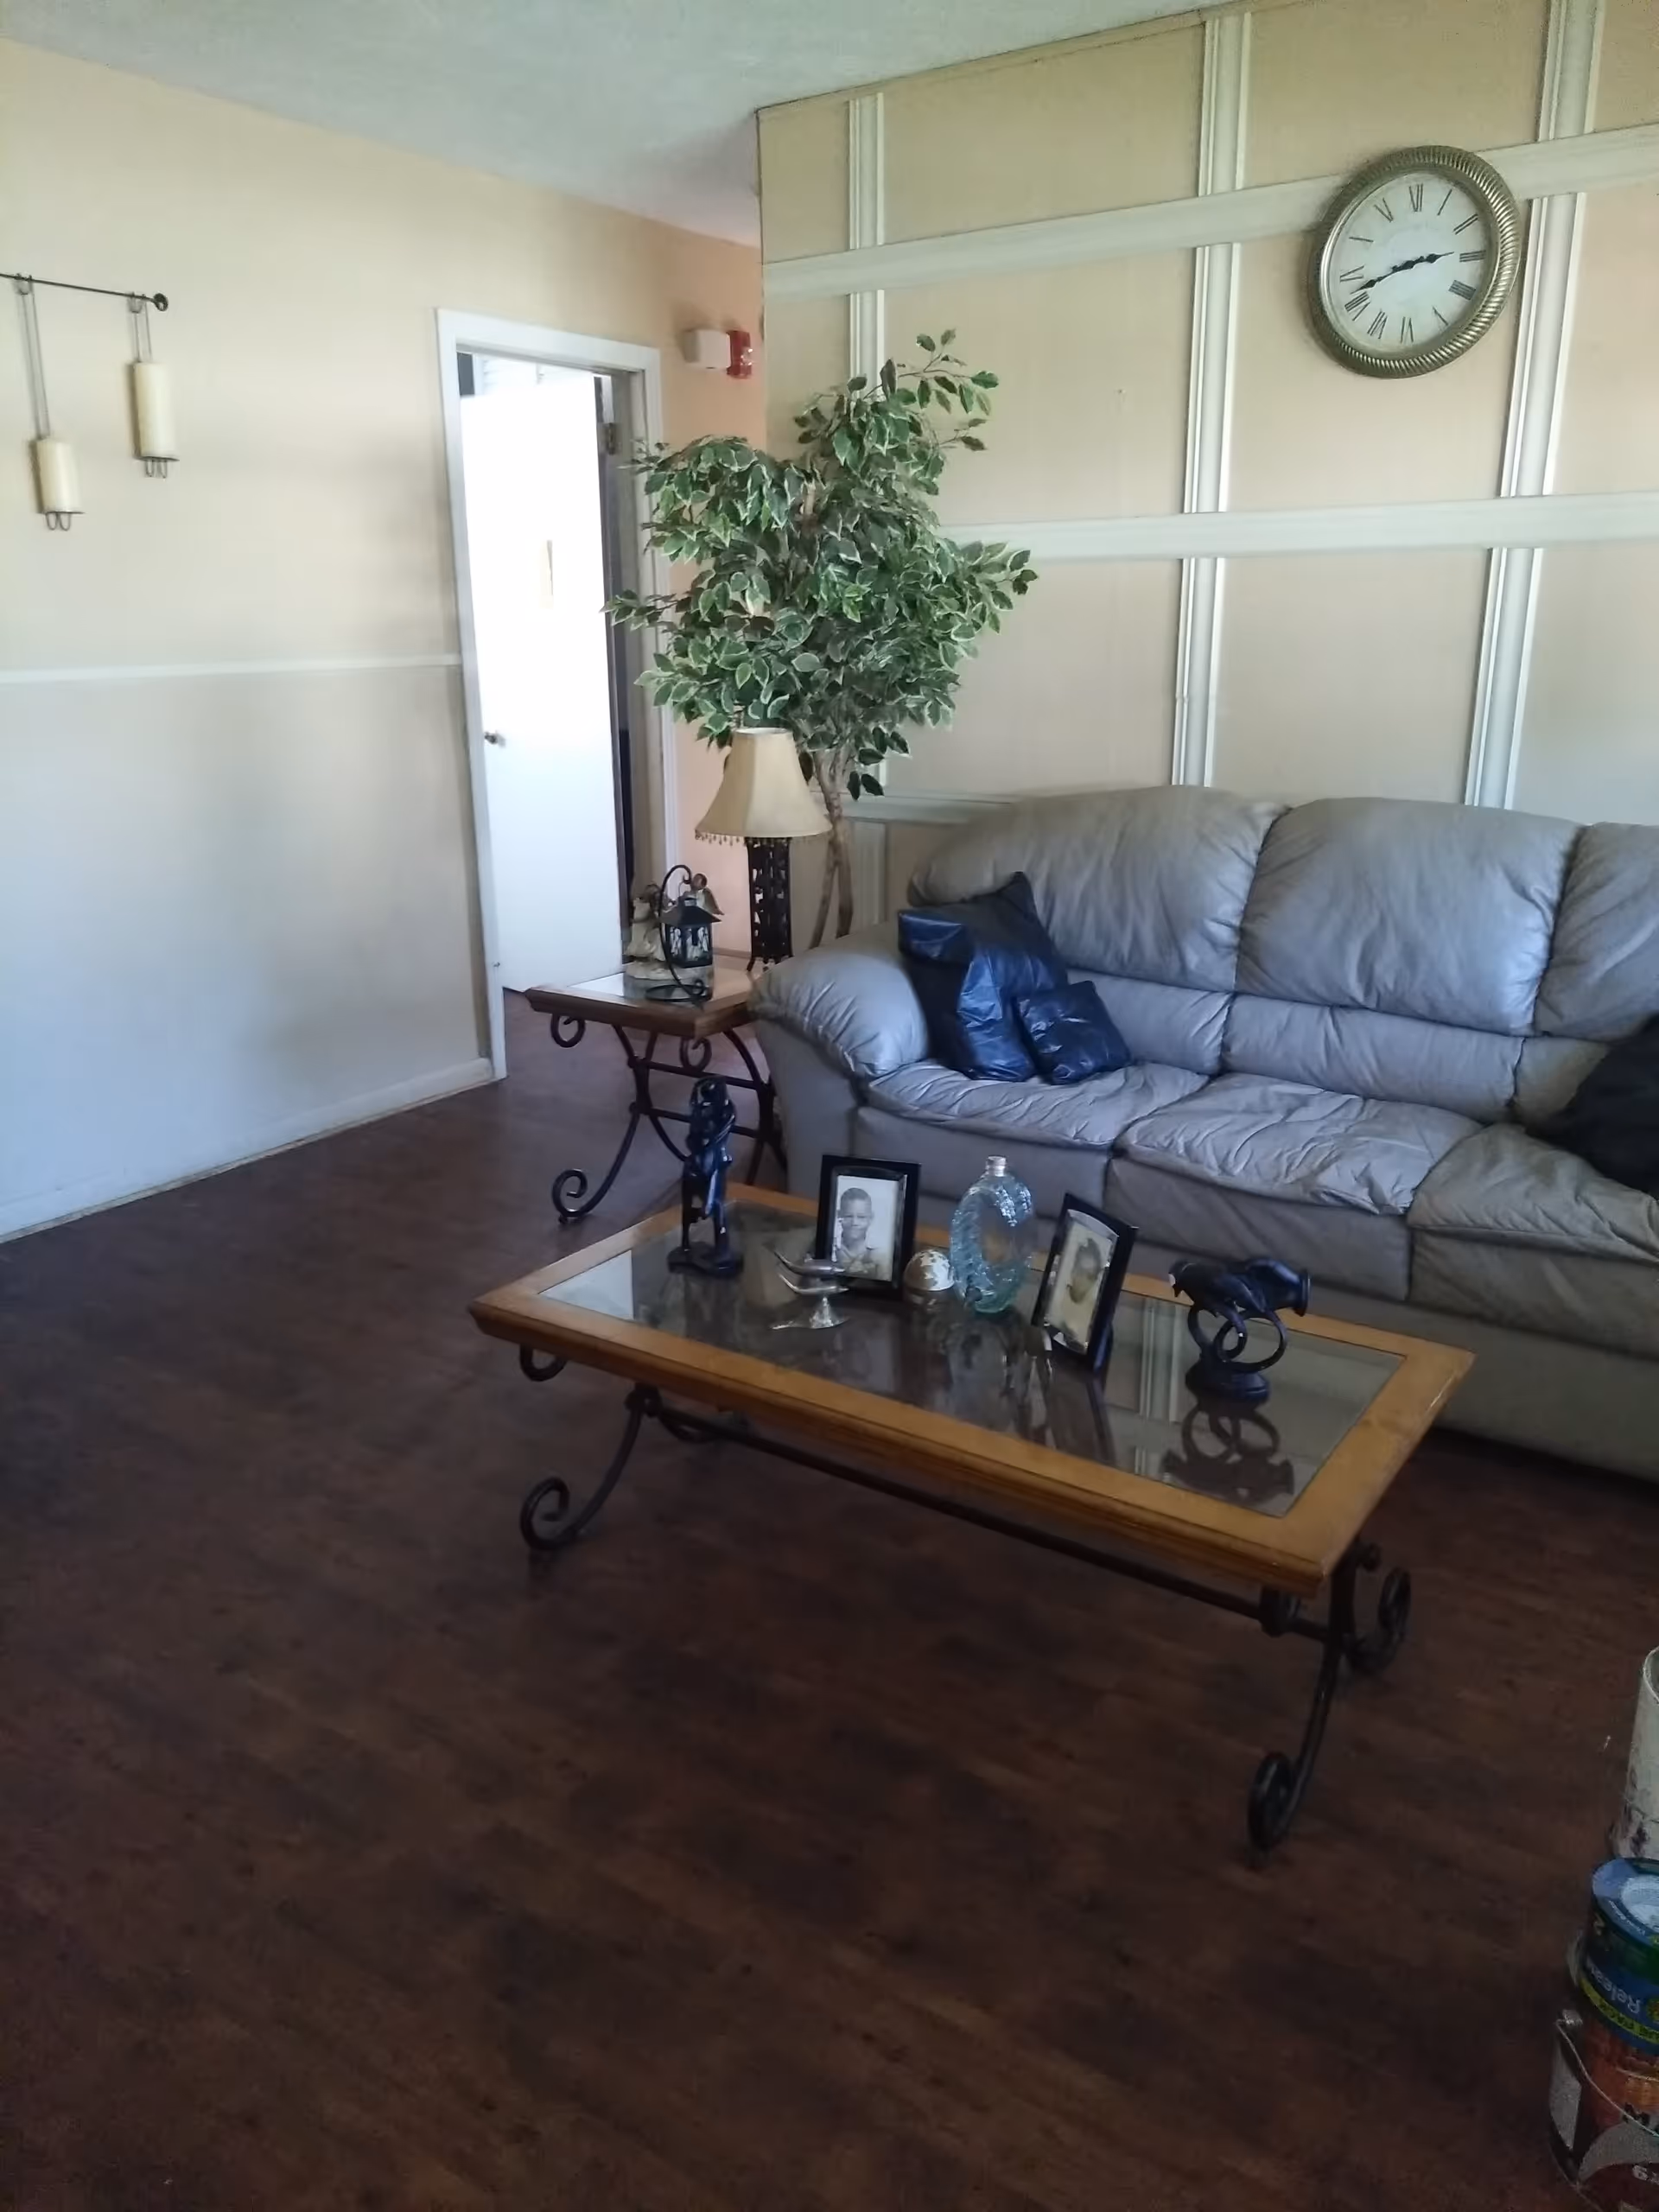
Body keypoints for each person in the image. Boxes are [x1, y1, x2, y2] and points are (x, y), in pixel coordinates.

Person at [1054, 1233, 1105, 1351]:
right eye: (1081, 1270)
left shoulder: (1093, 1311)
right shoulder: (1057, 1300)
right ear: (1073, 1271)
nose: (1084, 1279)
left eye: (1090, 1276)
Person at [833, 1183, 886, 1278]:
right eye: (848, 1216)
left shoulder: (881, 1258)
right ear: (839, 1215)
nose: (854, 1222)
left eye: (861, 1217)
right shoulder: (829, 1249)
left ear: (870, 1218)